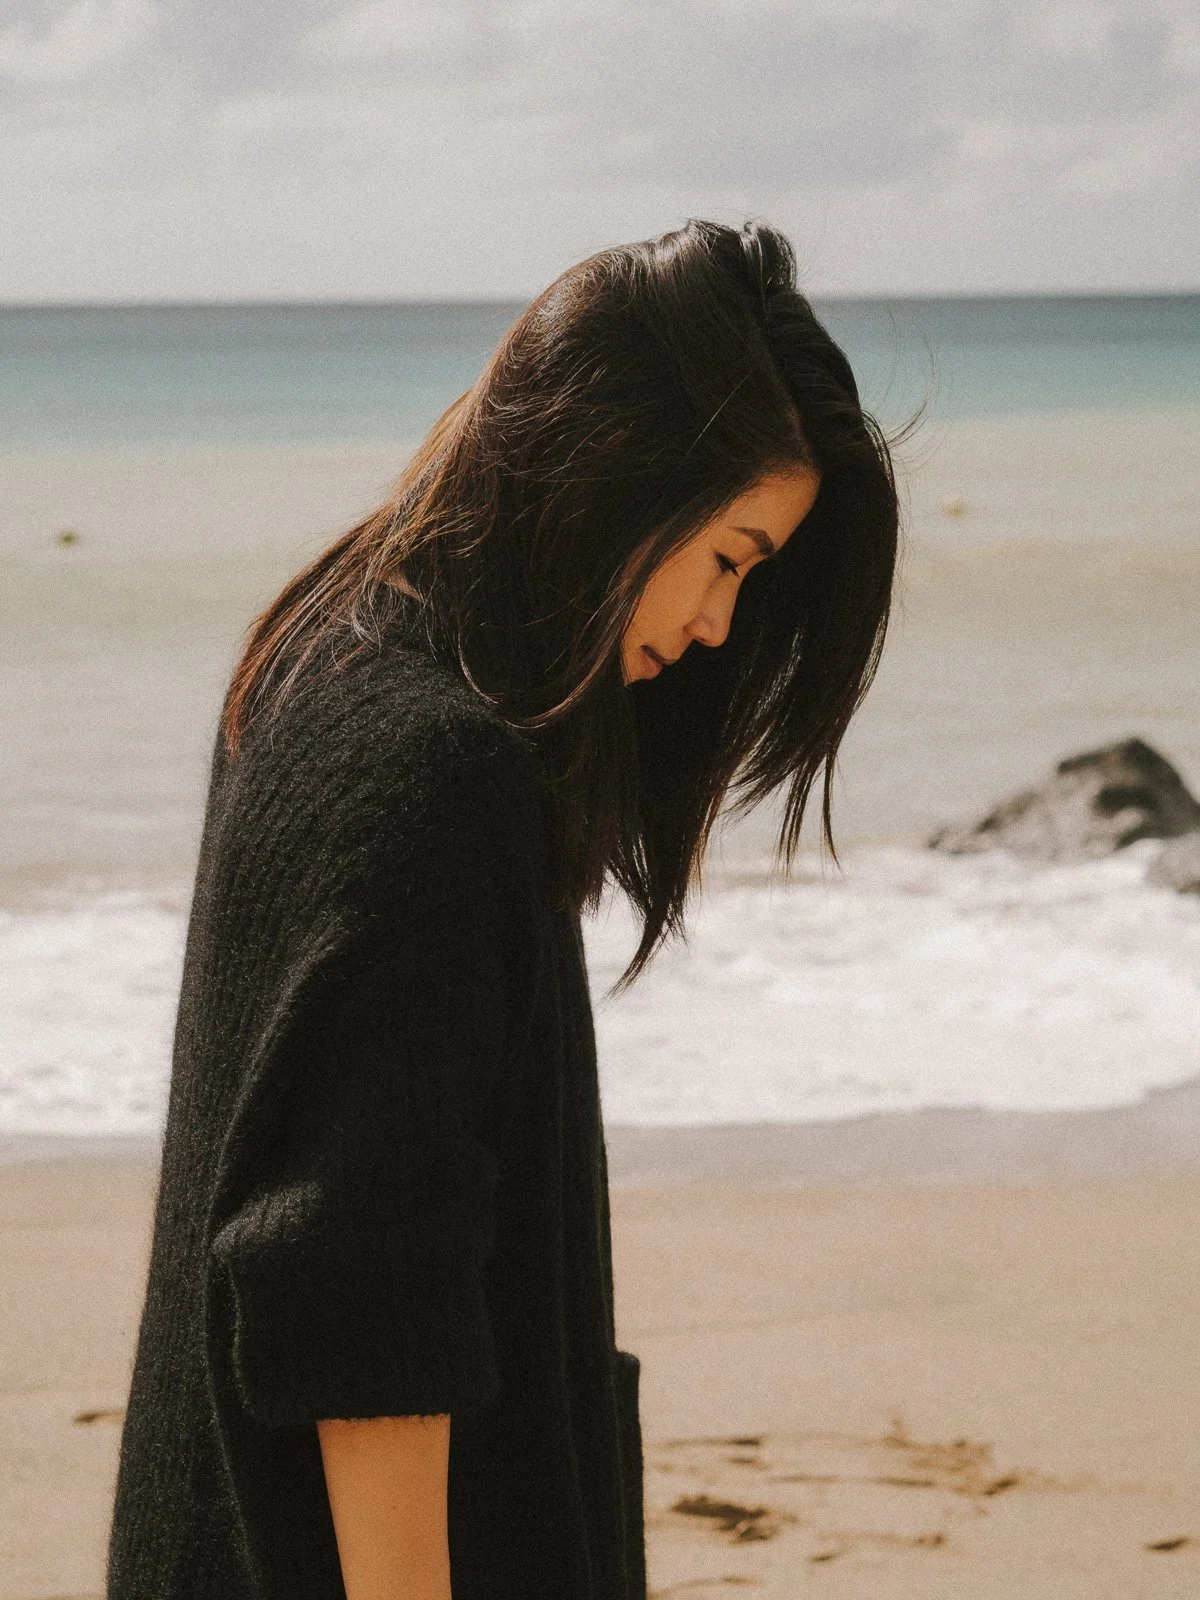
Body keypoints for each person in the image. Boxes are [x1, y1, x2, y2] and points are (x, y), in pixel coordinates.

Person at [105, 218, 898, 1599]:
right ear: (625, 475)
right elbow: (363, 1294)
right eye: (730, 555)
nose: (722, 623)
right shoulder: (431, 767)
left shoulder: (328, 651)